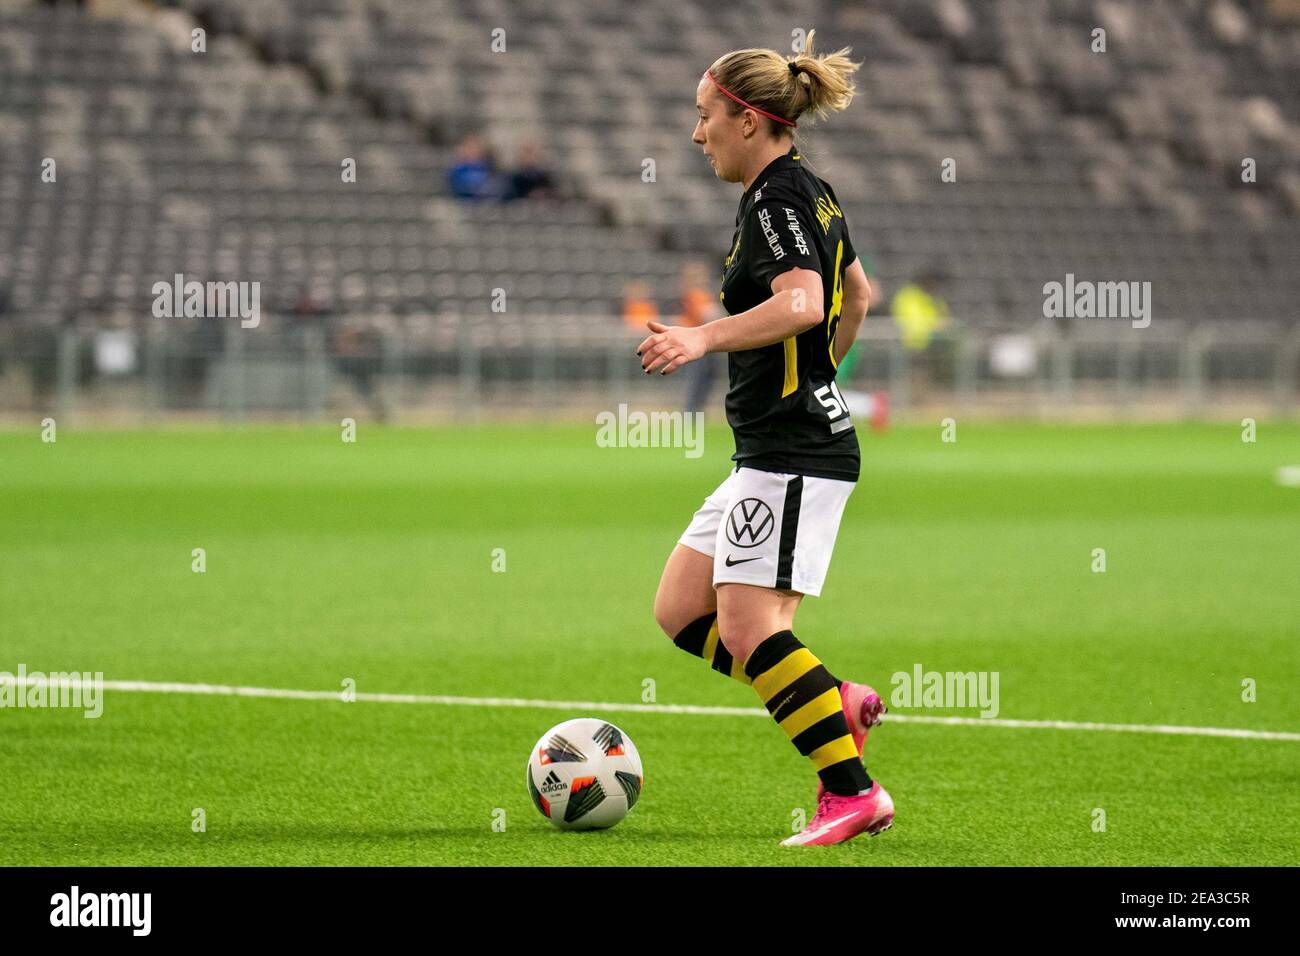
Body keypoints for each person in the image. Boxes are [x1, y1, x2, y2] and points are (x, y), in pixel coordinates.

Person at [638, 31, 892, 846]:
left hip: (791, 452)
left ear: (748, 118)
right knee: (682, 609)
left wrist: (702, 338)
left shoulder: (778, 200)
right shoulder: (811, 190)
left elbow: (806, 302)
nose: (696, 132)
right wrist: (822, 379)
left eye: (704, 114)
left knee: (748, 628)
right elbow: (860, 294)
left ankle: (852, 792)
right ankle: (830, 696)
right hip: (779, 447)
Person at [675, 260, 724, 412]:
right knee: (696, 383)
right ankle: (691, 414)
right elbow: (708, 315)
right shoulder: (695, 295)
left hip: (702, 346)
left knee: (702, 383)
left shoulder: (698, 295)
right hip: (695, 346)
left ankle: (695, 413)